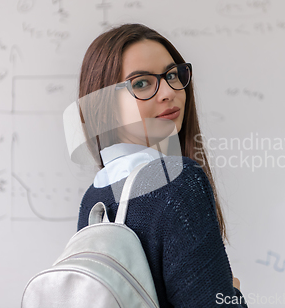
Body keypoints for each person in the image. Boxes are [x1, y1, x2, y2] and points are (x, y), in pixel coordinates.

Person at [76, 23, 248, 307]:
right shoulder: (178, 182)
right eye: (141, 83)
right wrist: (233, 293)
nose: (168, 91)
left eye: (171, 75)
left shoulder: (93, 199)